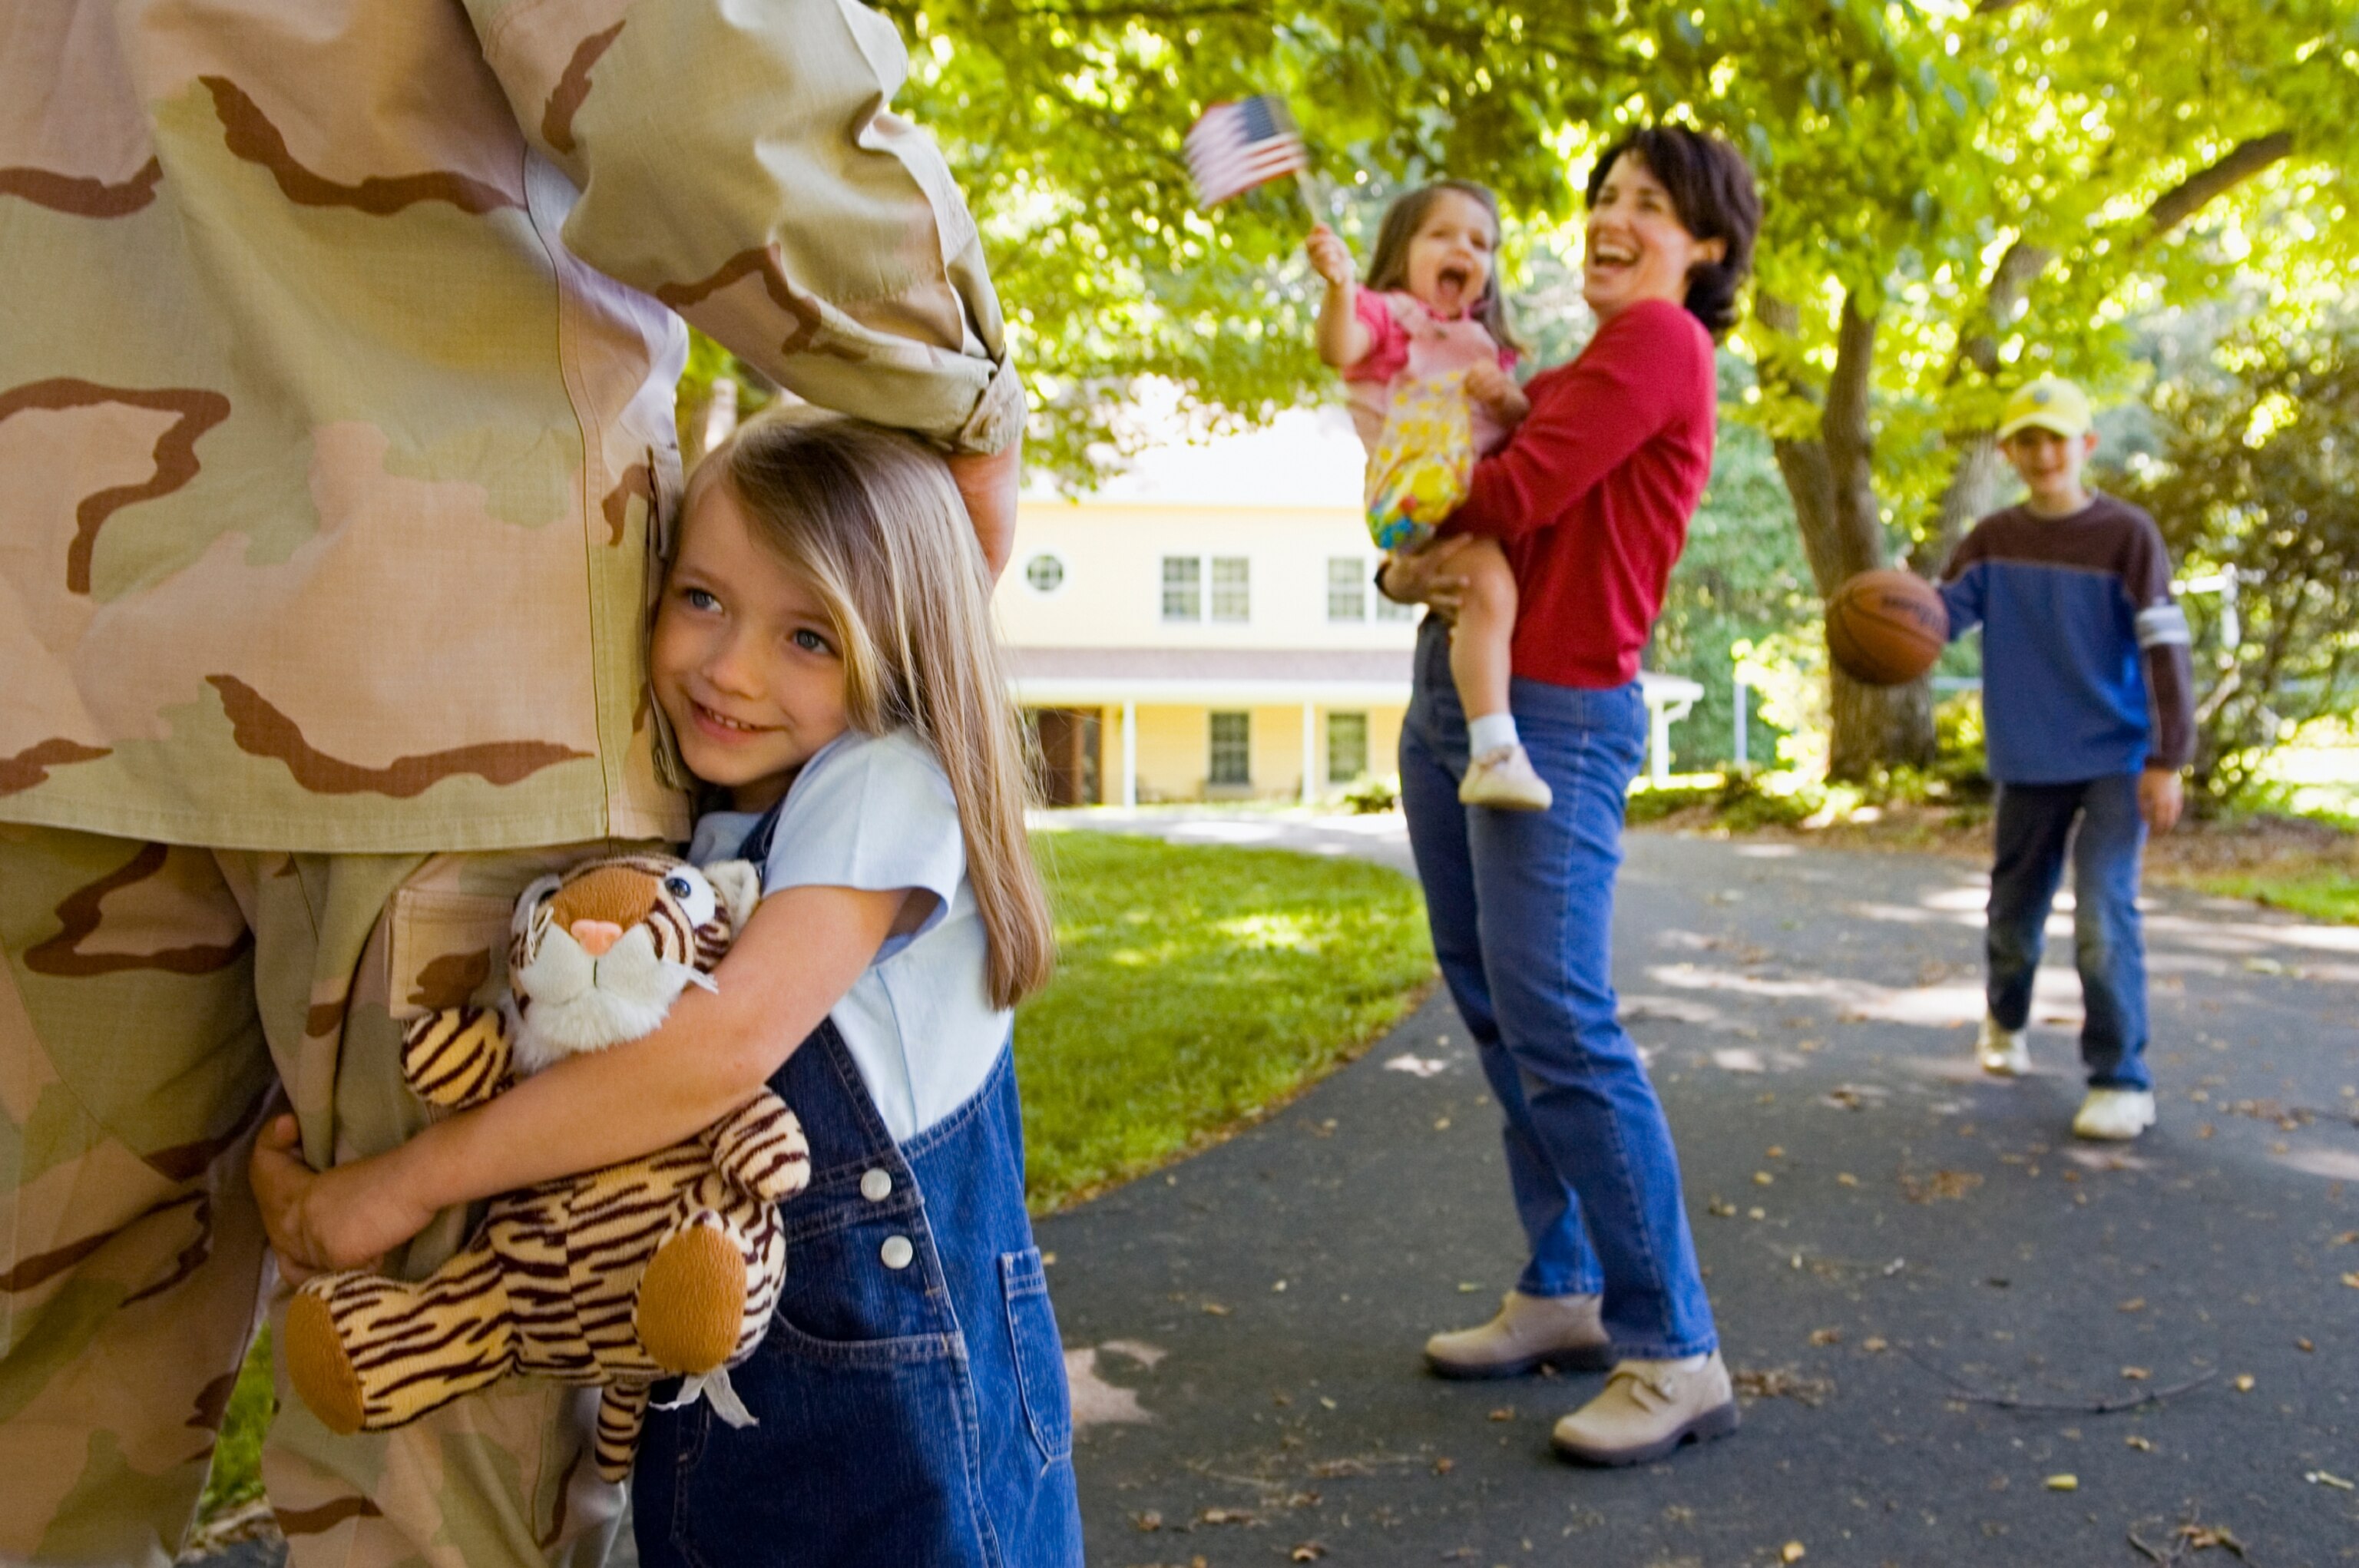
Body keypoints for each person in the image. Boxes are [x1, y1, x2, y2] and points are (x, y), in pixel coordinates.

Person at [0, 5, 1024, 1563]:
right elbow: (693, 71)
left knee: (35, 1416)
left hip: (42, 653)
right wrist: (949, 383)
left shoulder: (870, 811)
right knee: (433, 1489)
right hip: (431, 668)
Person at [252, 409, 1080, 1566]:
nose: (730, 668)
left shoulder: (886, 777)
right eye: (701, 599)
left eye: (809, 636)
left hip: (902, 1433)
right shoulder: (732, 817)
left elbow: (719, 1049)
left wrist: (399, 1186)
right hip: (728, 1422)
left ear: (903, 647)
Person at [1378, 125, 1761, 1466]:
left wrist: (1406, 521)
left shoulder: (1661, 343)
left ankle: (1676, 1348)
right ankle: (1564, 1288)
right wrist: (1412, 554)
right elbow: (1475, 512)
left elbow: (1520, 491)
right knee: (1492, 1002)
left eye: (1648, 204)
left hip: (1553, 713)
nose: (1610, 216)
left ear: (1704, 248)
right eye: (1601, 195)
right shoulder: (1578, 357)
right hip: (1461, 696)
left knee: (1559, 1017)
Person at [1936, 375, 2194, 1142]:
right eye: (2027, 439)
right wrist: (1880, 610)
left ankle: (2122, 1077)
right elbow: (1935, 620)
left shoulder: (2128, 535)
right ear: (2010, 451)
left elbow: (2166, 649)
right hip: (2028, 757)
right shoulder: (1991, 539)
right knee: (2014, 915)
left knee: (2104, 913)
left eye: (2058, 437)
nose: (2043, 452)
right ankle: (2005, 1016)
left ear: (2086, 445)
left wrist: (2168, 755)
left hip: (2118, 755)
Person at [1307, 182, 1548, 810]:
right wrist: (1339, 287)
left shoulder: (1485, 344)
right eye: (1443, 234)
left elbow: (1521, 425)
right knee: (1490, 593)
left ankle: (1489, 740)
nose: (1463, 249)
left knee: (1484, 600)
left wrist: (1505, 397)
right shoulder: (1388, 320)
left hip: (1463, 504)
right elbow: (1339, 346)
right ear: (1403, 251)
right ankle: (1494, 749)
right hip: (1417, 499)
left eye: (1481, 242)